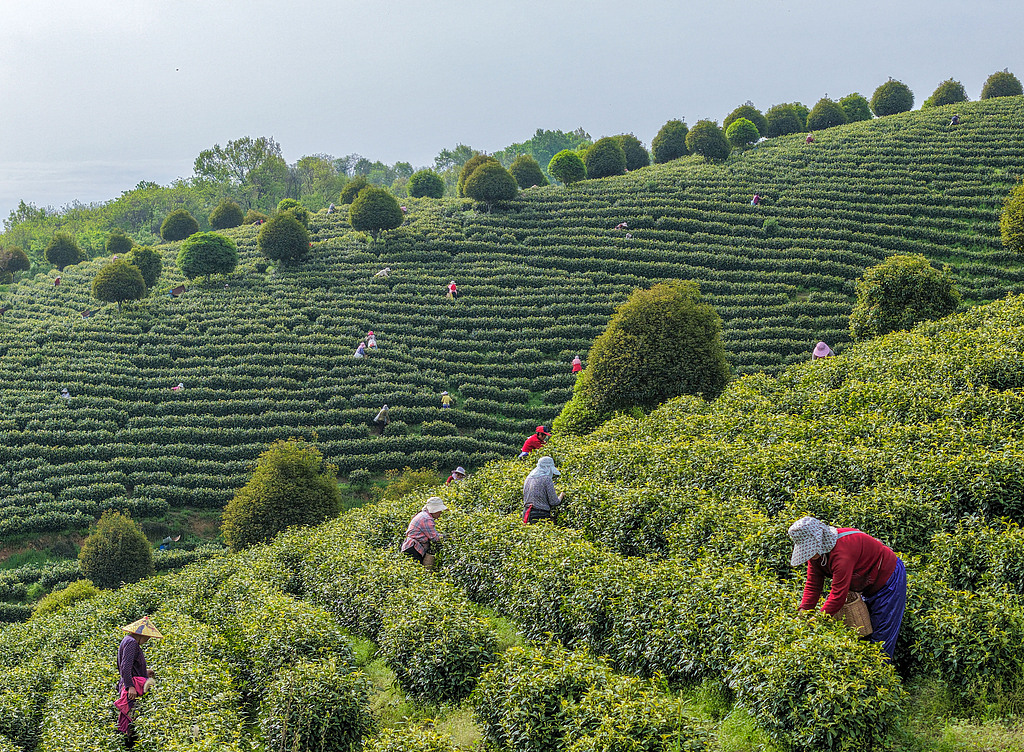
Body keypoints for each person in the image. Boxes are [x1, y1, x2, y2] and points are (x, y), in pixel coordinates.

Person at [789, 516, 907, 661]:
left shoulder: (842, 553)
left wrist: (818, 619)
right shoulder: (816, 556)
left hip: (888, 578)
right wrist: (803, 613)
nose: (809, 555)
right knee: (864, 627)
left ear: (819, 542)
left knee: (882, 634)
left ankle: (882, 676)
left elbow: (838, 595)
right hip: (865, 583)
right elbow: (813, 586)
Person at [116, 616, 163, 746]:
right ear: (142, 634)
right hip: (131, 688)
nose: (148, 640)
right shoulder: (131, 643)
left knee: (132, 718)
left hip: (129, 683)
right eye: (148, 637)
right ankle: (129, 746)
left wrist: (144, 672)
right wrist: (130, 686)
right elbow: (125, 667)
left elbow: (129, 666)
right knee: (132, 720)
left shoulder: (127, 640)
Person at [401, 497, 447, 565]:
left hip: (412, 547)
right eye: (439, 511)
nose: (440, 513)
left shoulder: (424, 515)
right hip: (413, 549)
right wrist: (446, 537)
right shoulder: (426, 518)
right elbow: (434, 537)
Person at [522, 456, 565, 524]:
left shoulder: (528, 478)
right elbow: (554, 502)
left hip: (526, 513)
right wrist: (561, 496)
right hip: (540, 515)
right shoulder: (546, 479)